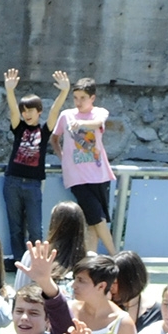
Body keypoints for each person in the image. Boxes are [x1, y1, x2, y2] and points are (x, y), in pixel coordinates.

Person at [0, 69, 66, 267]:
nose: (26, 114)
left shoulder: (43, 131)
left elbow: (55, 112)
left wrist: (64, 92)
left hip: (34, 184)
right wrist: (10, 90)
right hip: (13, 181)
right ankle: (20, 262)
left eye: (31, 110)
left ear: (39, 112)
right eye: (24, 111)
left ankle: (37, 263)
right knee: (15, 227)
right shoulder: (19, 127)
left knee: (35, 228)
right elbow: (12, 111)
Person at [49, 73, 117, 254]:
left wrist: (80, 124)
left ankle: (91, 257)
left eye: (83, 98)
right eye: (76, 98)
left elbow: (97, 123)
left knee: (93, 221)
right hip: (77, 177)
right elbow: (55, 138)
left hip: (99, 174)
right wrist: (62, 157)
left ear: (92, 98)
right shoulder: (66, 115)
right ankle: (115, 254)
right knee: (96, 217)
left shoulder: (100, 112)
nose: (78, 102)